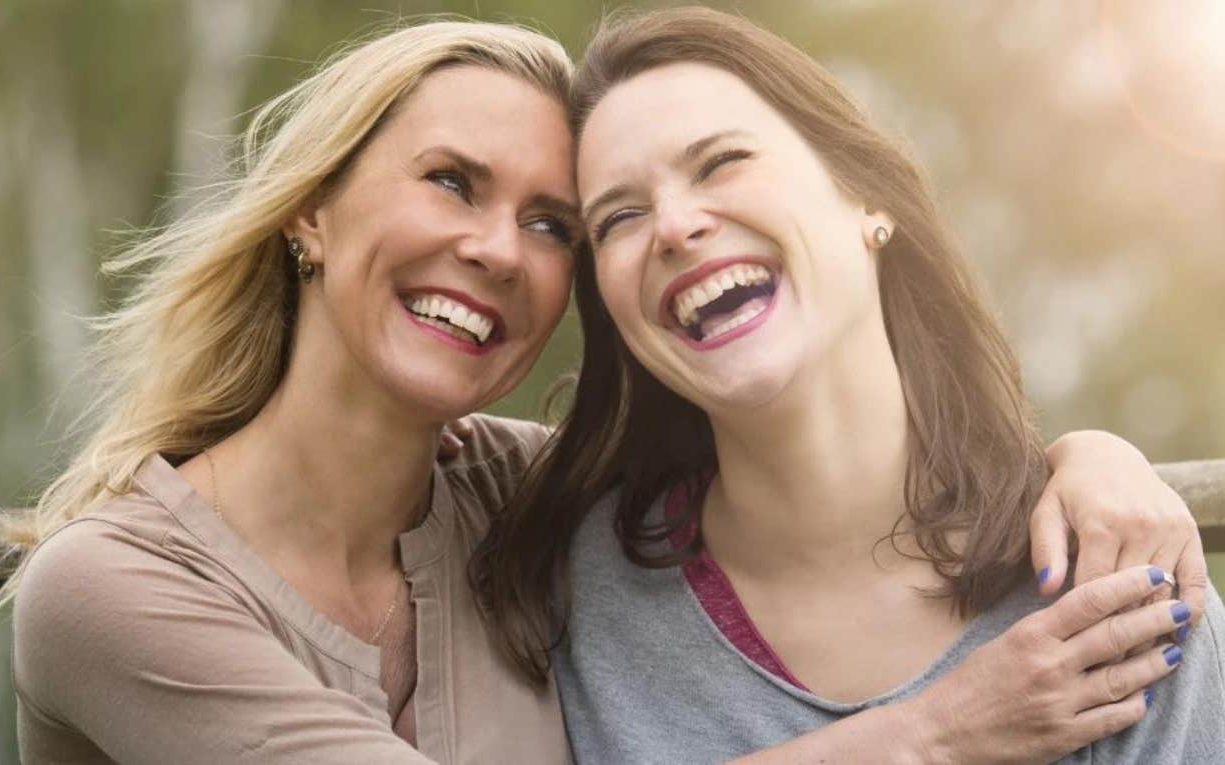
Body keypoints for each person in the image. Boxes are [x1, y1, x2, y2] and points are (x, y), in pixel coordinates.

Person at [0, 16, 1206, 765]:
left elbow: (827, 445)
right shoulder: (110, 592)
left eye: (553, 223)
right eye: (450, 181)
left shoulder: (522, 503)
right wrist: (942, 734)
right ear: (309, 212)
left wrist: (1090, 460)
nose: (498, 250)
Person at [473, 7, 1223, 764]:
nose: (672, 225)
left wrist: (1098, 451)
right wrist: (933, 734)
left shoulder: (1115, 578)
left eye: (721, 162)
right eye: (619, 216)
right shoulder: (568, 581)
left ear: (868, 198)